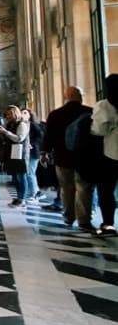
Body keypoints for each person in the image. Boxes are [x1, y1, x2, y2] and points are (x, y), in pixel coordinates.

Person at [42, 86, 94, 231]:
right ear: (80, 96)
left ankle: (68, 217)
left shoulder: (56, 114)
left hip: (62, 157)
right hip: (85, 157)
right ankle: (84, 220)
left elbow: (48, 136)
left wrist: (44, 152)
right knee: (84, 188)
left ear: (66, 97)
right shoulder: (89, 112)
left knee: (66, 188)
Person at [91, 74, 118, 237]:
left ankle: (108, 224)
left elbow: (99, 129)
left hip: (111, 152)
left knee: (106, 189)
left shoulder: (105, 105)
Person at [0, 105, 30, 207]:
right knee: (15, 177)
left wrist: (5, 132)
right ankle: (18, 197)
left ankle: (22, 198)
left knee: (21, 176)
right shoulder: (10, 124)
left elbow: (19, 138)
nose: (9, 116)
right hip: (11, 153)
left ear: (16, 113)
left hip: (20, 154)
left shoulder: (22, 124)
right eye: (7, 114)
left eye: (11, 113)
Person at [22, 108, 44, 204]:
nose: (23, 114)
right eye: (21, 112)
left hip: (33, 152)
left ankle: (34, 194)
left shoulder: (33, 125)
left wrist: (32, 144)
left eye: (25, 113)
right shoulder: (22, 125)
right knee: (28, 173)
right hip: (25, 152)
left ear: (30, 115)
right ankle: (36, 192)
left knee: (30, 173)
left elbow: (41, 135)